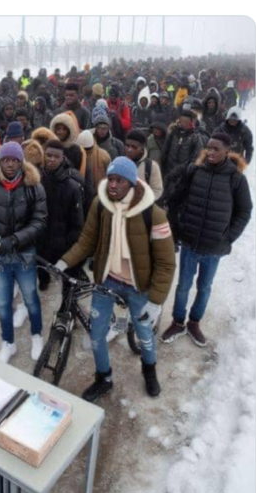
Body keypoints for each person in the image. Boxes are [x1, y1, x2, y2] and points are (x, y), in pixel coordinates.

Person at [56, 157, 176, 400]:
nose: (112, 185)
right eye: (110, 179)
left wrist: (155, 301)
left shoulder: (154, 215)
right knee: (96, 334)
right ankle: (104, 378)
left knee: (144, 333)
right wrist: (65, 261)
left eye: (119, 180)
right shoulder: (100, 205)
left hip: (138, 287)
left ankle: (149, 371)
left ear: (131, 183)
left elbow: (166, 263)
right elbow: (86, 240)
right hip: (106, 281)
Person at [161, 133, 253, 347]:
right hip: (190, 243)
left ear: (226, 151)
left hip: (214, 247)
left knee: (204, 287)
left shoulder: (236, 179)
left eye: (216, 149)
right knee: (183, 285)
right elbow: (177, 199)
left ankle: (194, 322)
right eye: (209, 148)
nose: (211, 152)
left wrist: (228, 237)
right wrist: (177, 225)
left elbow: (245, 211)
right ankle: (177, 321)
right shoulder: (195, 171)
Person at [0, 142, 48, 363]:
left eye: (15, 160)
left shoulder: (34, 186)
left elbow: (40, 221)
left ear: (21, 161)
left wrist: (15, 240)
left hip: (24, 253)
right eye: (6, 159)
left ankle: (37, 335)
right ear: (0, 161)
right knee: (3, 302)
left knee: (31, 298)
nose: (10, 164)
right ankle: (8, 343)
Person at [36, 140, 86, 291]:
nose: (51, 159)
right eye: (48, 155)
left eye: (56, 156)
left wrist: (65, 242)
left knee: (68, 282)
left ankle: (67, 308)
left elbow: (77, 223)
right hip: (41, 242)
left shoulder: (72, 186)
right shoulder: (36, 181)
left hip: (63, 244)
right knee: (42, 273)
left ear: (62, 158)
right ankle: (44, 280)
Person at [124, 129, 163, 201]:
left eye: (134, 147)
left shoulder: (151, 166)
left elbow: (157, 191)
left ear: (142, 149)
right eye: (127, 146)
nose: (129, 150)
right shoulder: (119, 163)